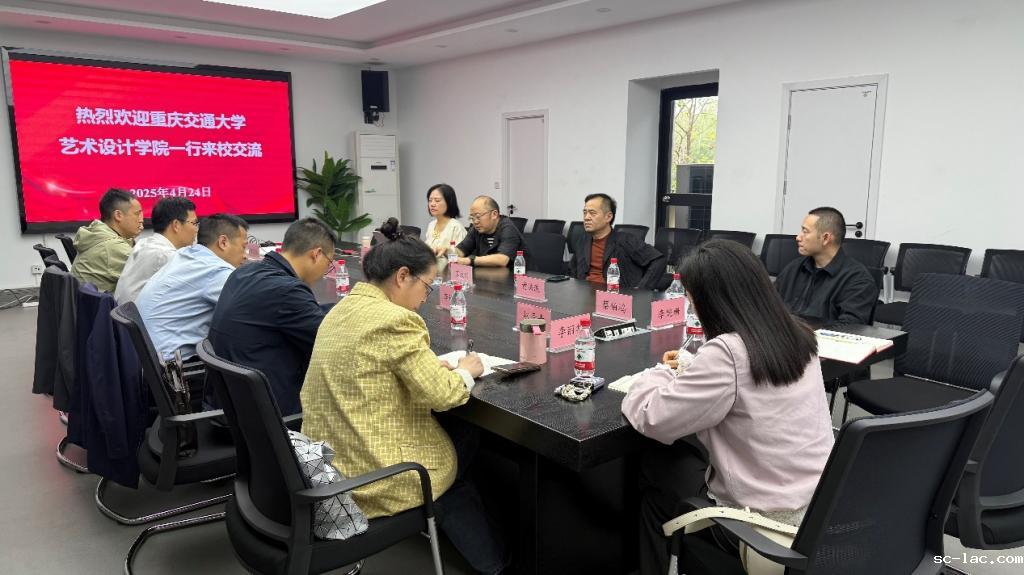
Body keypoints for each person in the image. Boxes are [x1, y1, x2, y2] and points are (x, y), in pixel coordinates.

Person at [301, 218, 510, 574]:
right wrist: (466, 370)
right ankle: (496, 564)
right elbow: (443, 395)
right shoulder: (396, 319)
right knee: (461, 446)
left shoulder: (343, 307)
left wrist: (429, 369)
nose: (426, 298)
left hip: (331, 459)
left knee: (459, 439)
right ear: (402, 276)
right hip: (372, 473)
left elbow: (376, 367)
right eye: (427, 287)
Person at [621, 239, 834, 575]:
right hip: (819, 508)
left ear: (713, 301)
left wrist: (656, 374)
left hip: (763, 527)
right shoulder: (798, 334)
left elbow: (653, 417)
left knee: (657, 474)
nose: (693, 308)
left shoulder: (728, 352)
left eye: (692, 299)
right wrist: (695, 369)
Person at [209, 218, 336, 416]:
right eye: (329, 263)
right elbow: (331, 343)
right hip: (267, 414)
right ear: (317, 254)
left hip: (229, 401)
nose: (326, 271)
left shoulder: (245, 272)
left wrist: (341, 309)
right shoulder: (288, 290)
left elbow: (303, 314)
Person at [136, 214, 249, 361]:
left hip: (149, 358)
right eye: (244, 247)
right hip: (176, 365)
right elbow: (251, 310)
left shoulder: (186, 255)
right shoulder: (215, 271)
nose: (246, 256)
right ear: (223, 242)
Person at [775, 206, 878, 325]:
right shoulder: (794, 268)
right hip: (783, 334)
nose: (798, 237)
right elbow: (769, 303)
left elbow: (849, 328)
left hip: (817, 337)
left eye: (805, 231)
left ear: (825, 238)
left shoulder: (858, 280)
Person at [567, 193, 666, 289]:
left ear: (608, 217)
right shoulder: (583, 241)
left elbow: (659, 260)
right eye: (585, 212)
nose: (586, 218)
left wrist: (642, 289)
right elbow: (573, 270)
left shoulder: (626, 240)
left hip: (613, 295)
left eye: (592, 213)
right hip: (584, 293)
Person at [114, 197, 198, 303]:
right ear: (176, 225)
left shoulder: (144, 243)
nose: (196, 229)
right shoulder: (166, 255)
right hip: (139, 313)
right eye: (194, 223)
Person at [70, 188, 144, 293]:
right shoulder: (111, 247)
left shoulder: (99, 235)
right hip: (102, 303)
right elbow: (152, 275)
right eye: (137, 214)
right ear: (118, 215)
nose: (141, 219)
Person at [454, 195, 525, 268]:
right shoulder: (476, 229)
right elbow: (462, 250)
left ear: (494, 214)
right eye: (472, 218)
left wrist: (470, 260)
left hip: (516, 273)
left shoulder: (508, 228)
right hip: (487, 273)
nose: (475, 222)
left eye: (478, 216)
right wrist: (450, 251)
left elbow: (502, 259)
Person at [425, 183, 468, 271]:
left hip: (448, 273)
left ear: (449, 202)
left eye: (437, 200)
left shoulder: (456, 227)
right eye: (430, 200)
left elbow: (460, 258)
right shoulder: (431, 225)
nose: (432, 204)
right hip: (430, 272)